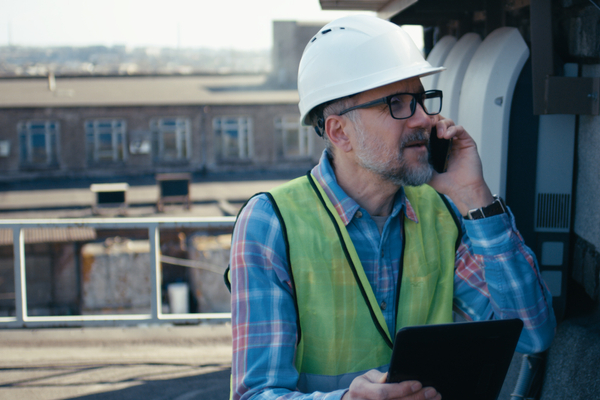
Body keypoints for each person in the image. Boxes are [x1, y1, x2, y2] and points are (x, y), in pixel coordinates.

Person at [228, 14, 556, 400]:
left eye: (420, 100)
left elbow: (533, 334)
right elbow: (256, 394)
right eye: (396, 104)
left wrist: (474, 197)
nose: (424, 118)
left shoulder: (443, 212)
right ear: (339, 132)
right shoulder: (272, 224)